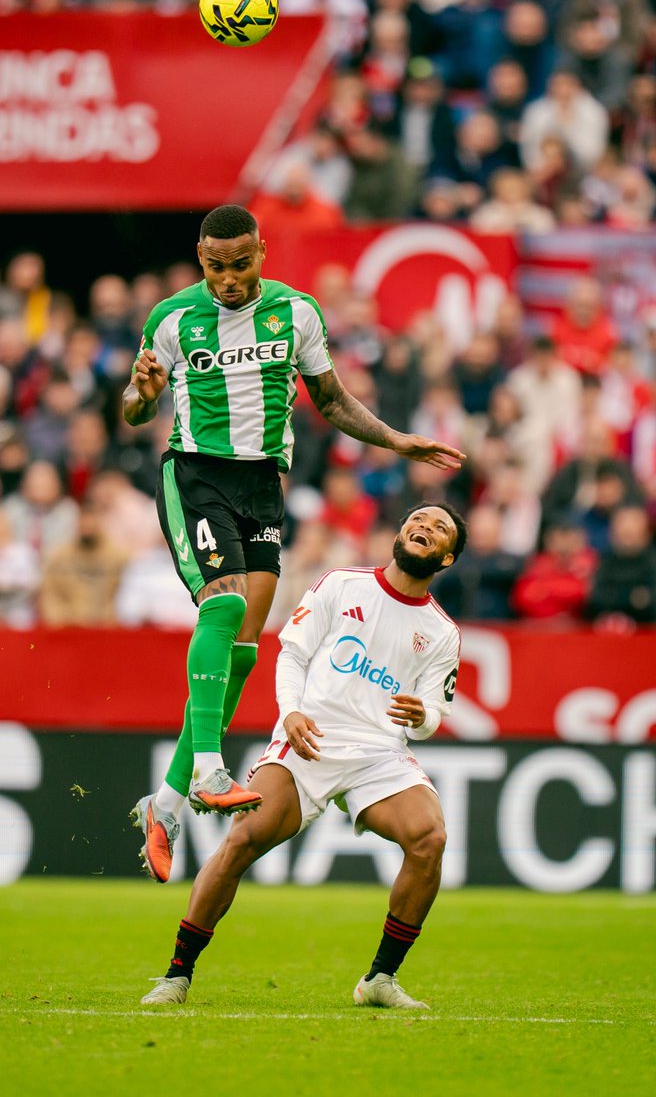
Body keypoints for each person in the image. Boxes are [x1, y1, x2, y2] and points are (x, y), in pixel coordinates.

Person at [123, 205, 465, 883]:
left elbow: (331, 401)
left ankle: (163, 804)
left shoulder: (297, 313)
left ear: (261, 253)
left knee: (246, 648)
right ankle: (209, 770)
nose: (227, 279)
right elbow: (135, 408)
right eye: (214, 267)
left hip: (261, 487)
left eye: (239, 265)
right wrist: (141, 394)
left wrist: (396, 440)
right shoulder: (170, 318)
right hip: (196, 474)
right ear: (200, 258)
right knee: (222, 607)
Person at [140, 502, 466, 1009]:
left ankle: (380, 979)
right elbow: (292, 653)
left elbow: (433, 715)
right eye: (417, 520)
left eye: (440, 528)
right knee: (242, 840)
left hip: (379, 753)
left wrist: (421, 715)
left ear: (447, 558)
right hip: (309, 739)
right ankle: (177, 975)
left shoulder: (443, 633)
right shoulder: (342, 584)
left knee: (431, 839)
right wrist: (290, 711)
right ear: (399, 533)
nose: (425, 527)